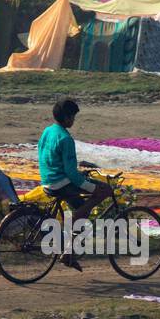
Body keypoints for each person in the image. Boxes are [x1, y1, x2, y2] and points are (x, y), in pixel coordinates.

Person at [38, 97, 112, 270]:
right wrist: (92, 187)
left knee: (82, 210)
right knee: (103, 191)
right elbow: (72, 175)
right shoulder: (66, 139)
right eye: (72, 117)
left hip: (48, 180)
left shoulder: (48, 131)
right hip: (61, 182)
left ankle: (68, 253)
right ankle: (72, 225)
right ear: (66, 118)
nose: (73, 120)